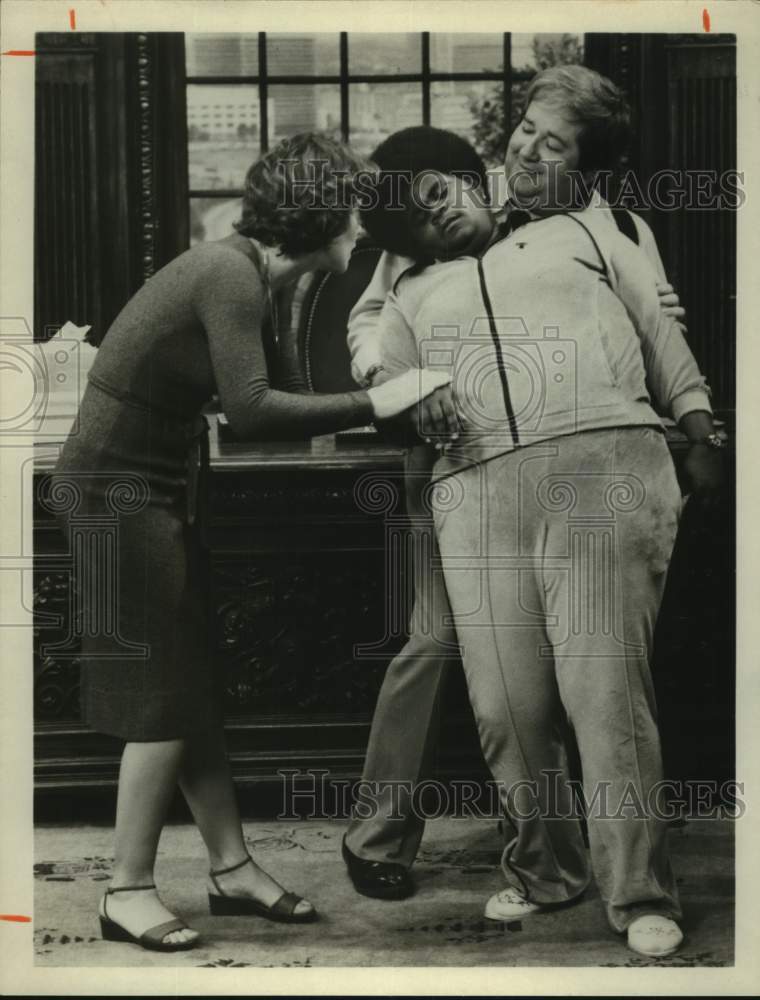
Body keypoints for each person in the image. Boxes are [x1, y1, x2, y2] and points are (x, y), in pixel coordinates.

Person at [50, 132, 451, 953]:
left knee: (187, 685)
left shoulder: (252, 269)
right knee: (162, 698)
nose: (362, 229)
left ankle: (230, 867)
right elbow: (255, 409)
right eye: (353, 214)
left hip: (151, 487)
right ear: (322, 222)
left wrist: (373, 393)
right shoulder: (230, 273)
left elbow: (267, 399)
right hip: (115, 495)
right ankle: (124, 890)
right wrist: (387, 399)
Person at [368, 66, 724, 958]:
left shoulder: (598, 232)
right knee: (505, 706)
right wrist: (412, 394)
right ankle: (546, 868)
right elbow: (380, 374)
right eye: (524, 130)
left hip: (603, 465)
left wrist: (700, 432)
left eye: (553, 142)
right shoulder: (410, 282)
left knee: (604, 692)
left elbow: (661, 333)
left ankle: (642, 890)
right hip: (476, 487)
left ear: (588, 166)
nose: (526, 148)